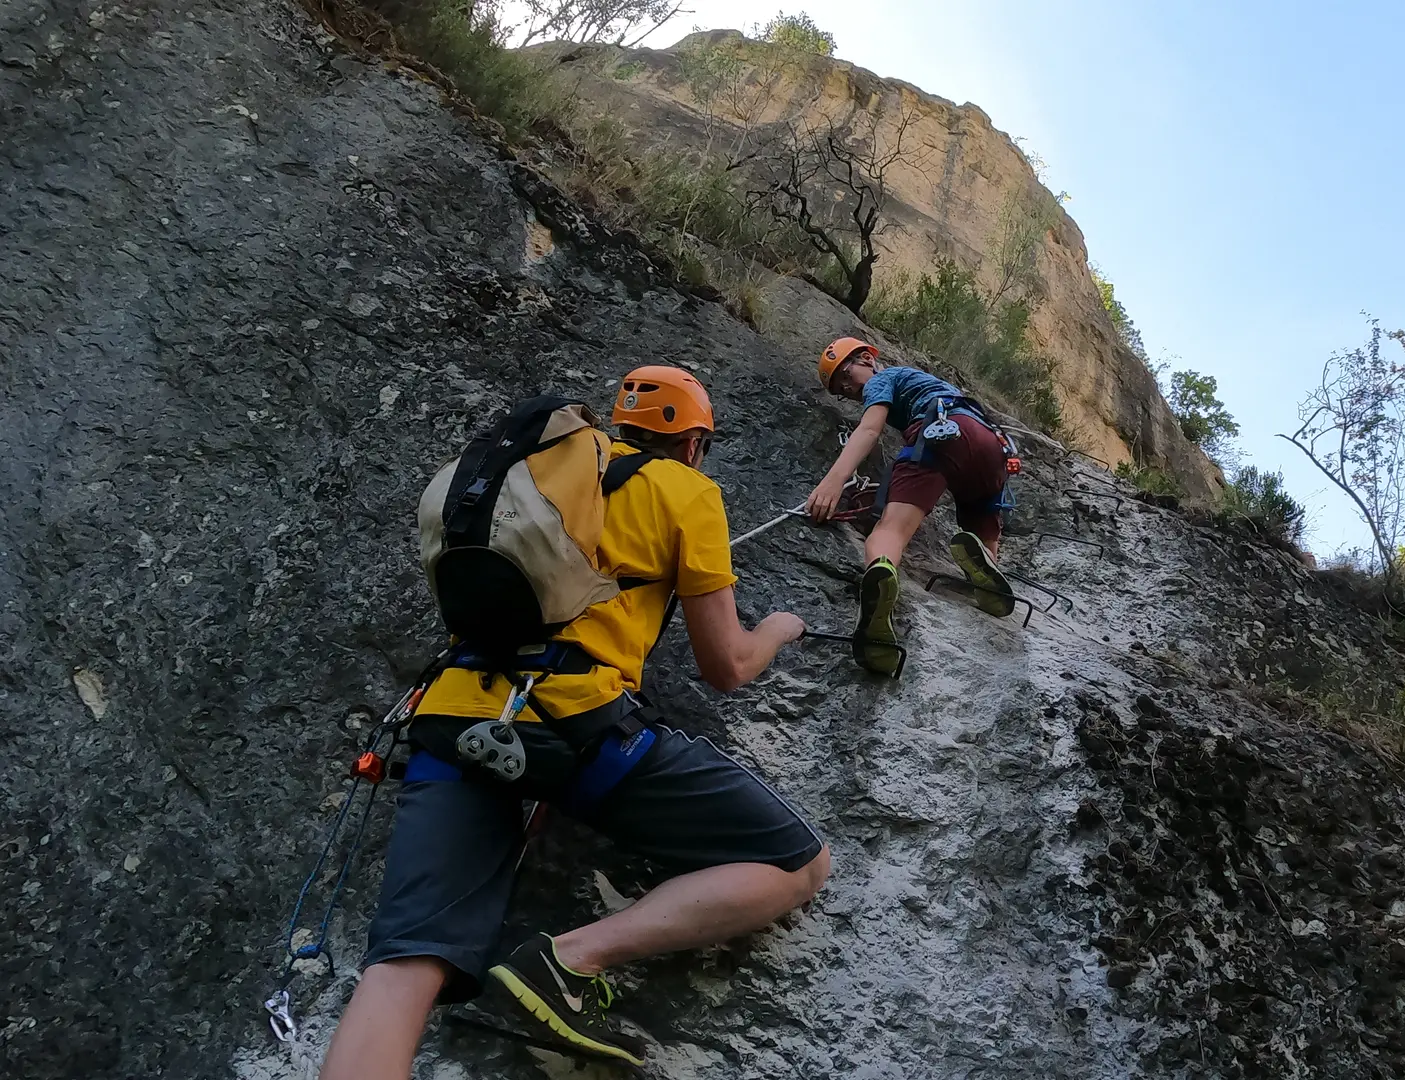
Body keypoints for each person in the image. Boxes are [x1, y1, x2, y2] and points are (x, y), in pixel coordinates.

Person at [319, 367, 826, 1078]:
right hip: (575, 728)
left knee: (403, 965)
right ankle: (569, 960)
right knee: (797, 862)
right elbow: (729, 666)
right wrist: (779, 627)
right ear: (693, 444)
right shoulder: (687, 491)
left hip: (452, 715)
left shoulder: (538, 481)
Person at [806, 337, 1016, 672]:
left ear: (866, 359)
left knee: (890, 528)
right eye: (838, 389)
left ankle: (882, 568)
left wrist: (831, 483)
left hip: (940, 431)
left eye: (845, 376)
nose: (845, 389)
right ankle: (987, 566)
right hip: (990, 442)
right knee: (981, 523)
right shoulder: (930, 383)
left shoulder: (881, 379)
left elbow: (870, 428)